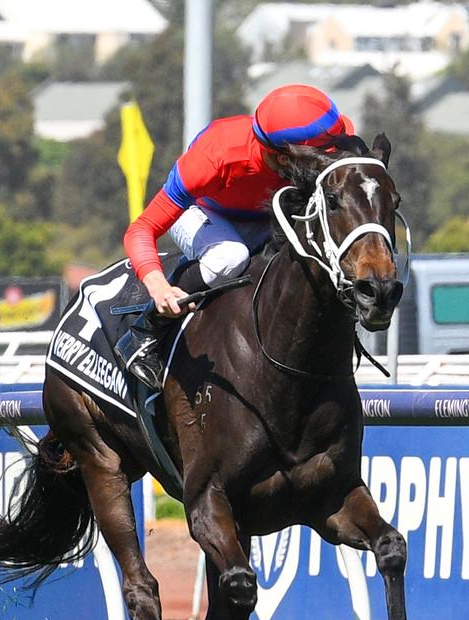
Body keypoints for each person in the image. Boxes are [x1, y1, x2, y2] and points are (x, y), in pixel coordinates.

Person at [115, 84, 355, 390]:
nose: (330, 159)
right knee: (230, 258)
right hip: (203, 213)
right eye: (321, 155)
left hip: (265, 215)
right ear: (284, 158)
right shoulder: (215, 157)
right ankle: (145, 330)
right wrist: (158, 286)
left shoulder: (312, 135)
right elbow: (141, 230)